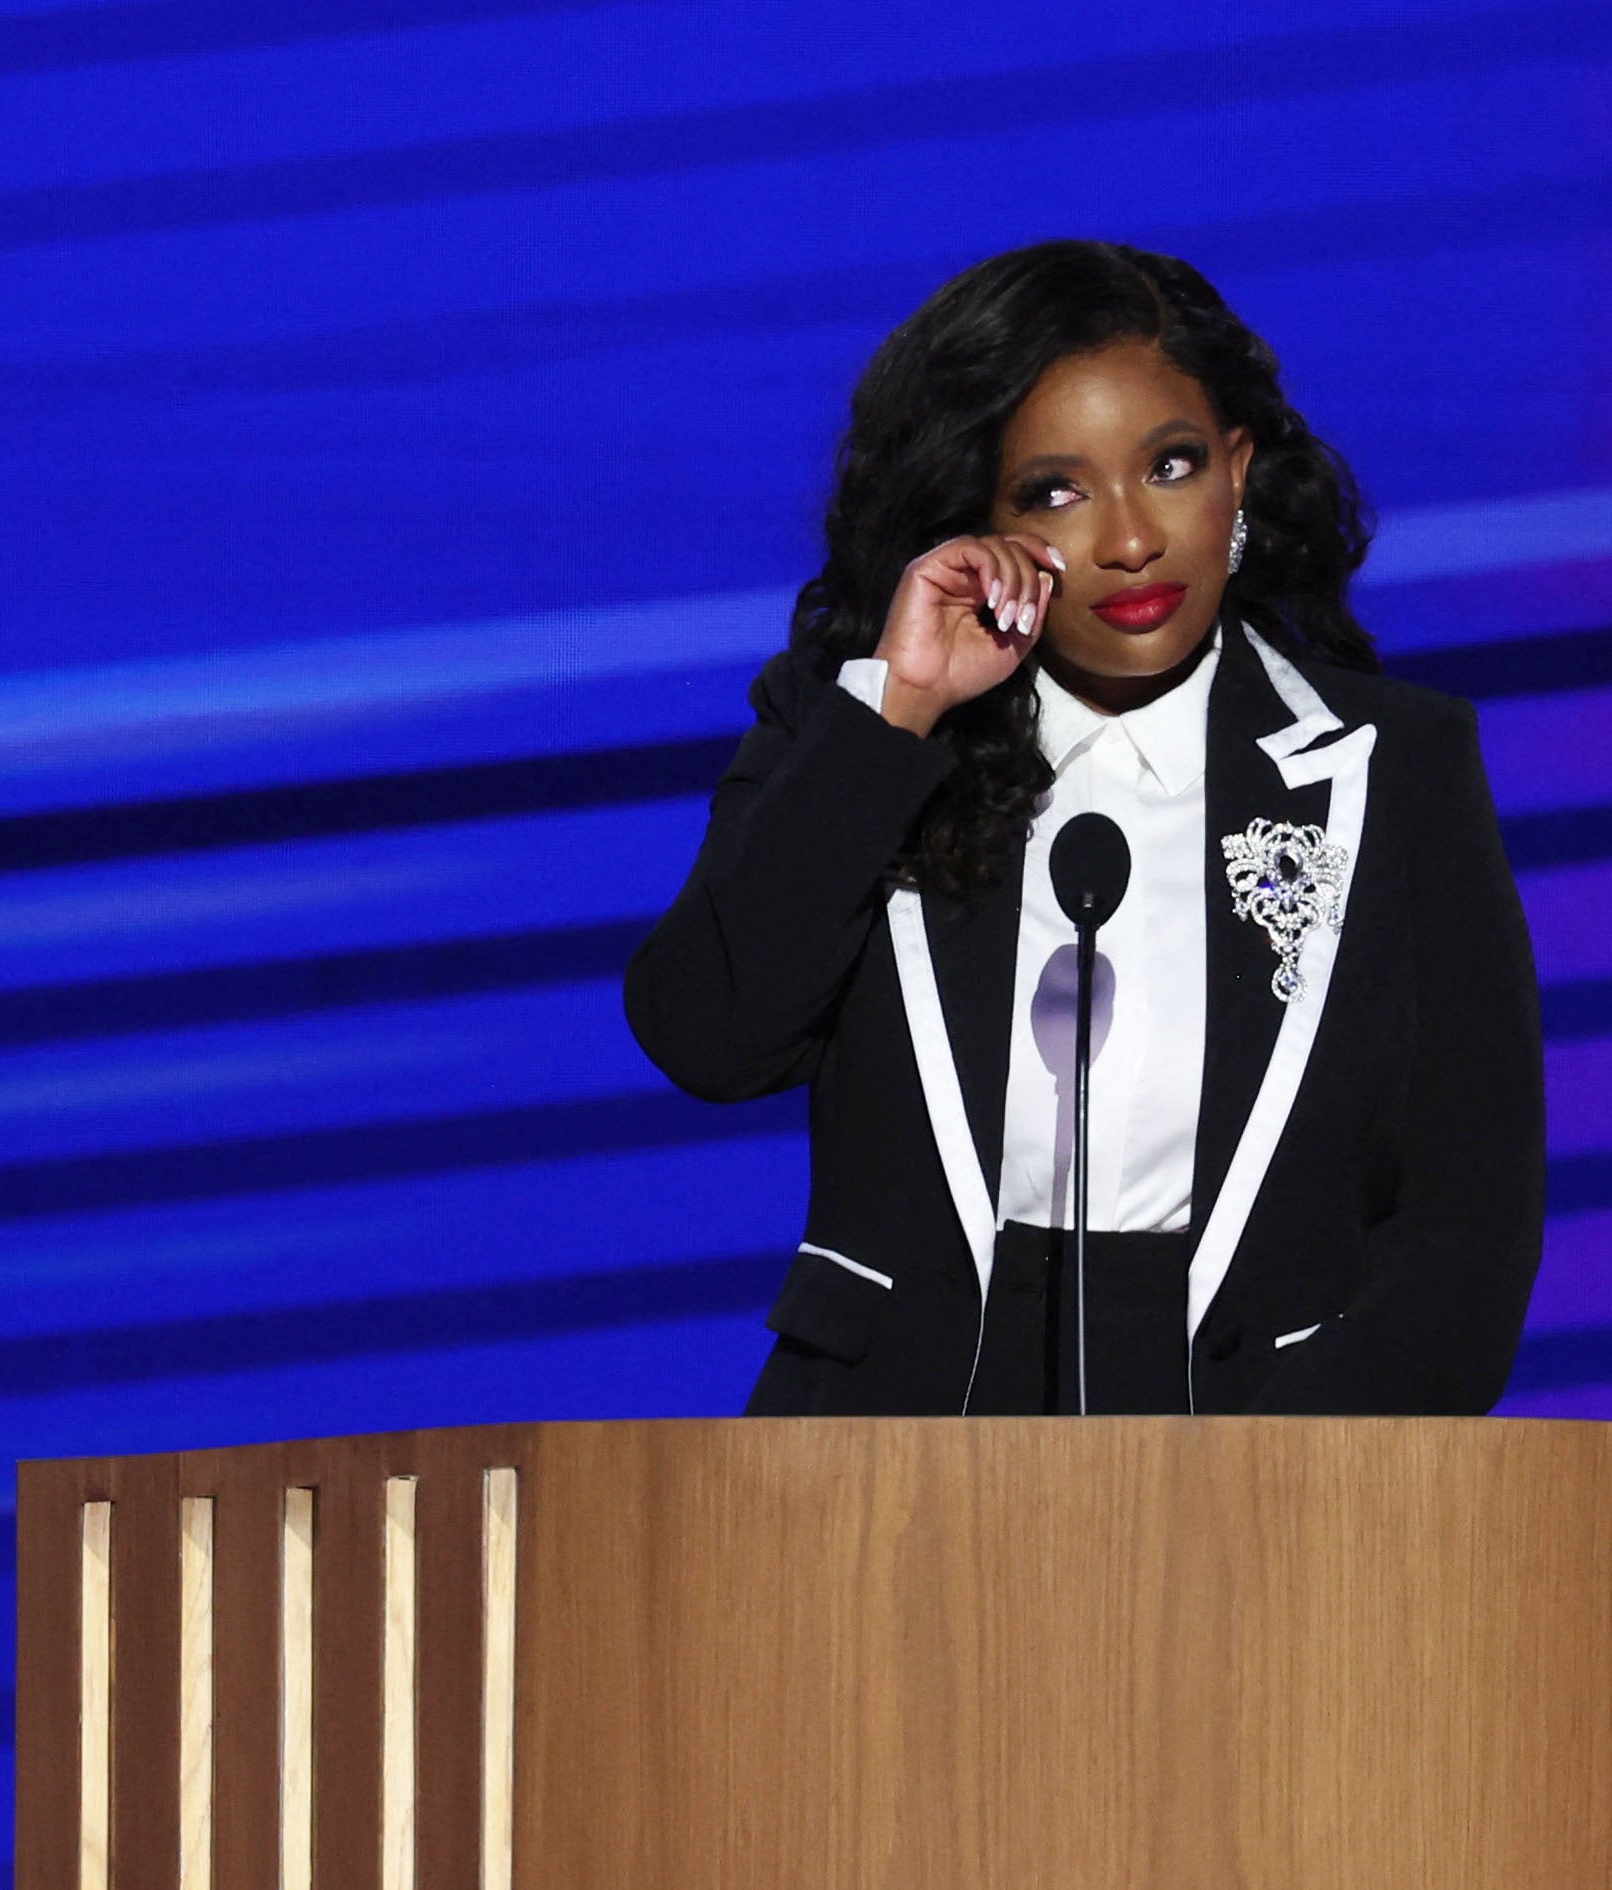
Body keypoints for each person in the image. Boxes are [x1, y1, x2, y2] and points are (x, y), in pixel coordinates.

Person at [624, 240, 1543, 1416]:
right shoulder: (859, 733)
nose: (1127, 540)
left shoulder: (1392, 764)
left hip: (1272, 1451)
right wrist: (901, 709)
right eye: (1054, 491)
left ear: (1240, 472)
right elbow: (707, 1038)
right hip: (885, 1464)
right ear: (975, 519)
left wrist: (1322, 1489)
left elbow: (1470, 1211)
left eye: (1170, 465)